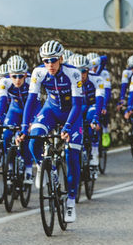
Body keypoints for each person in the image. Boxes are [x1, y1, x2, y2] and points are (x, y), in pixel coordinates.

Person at [19, 39, 85, 222]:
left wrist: (68, 127)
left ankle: (71, 201)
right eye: (46, 60)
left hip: (71, 114)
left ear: (61, 58)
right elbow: (31, 101)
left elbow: (78, 105)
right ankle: (43, 167)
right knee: (34, 141)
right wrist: (25, 127)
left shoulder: (73, 73)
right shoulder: (38, 72)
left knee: (72, 156)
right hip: (50, 110)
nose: (50, 64)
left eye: (54, 60)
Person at [0, 55, 32, 183]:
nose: (17, 80)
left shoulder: (31, 80)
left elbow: (36, 103)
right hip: (14, 110)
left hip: (30, 111)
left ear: (25, 75)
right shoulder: (4, 82)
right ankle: (10, 166)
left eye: (20, 76)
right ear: (9, 75)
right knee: (6, 135)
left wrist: (32, 122)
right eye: (14, 76)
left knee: (26, 138)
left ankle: (28, 169)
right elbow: (2, 100)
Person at [72, 54, 109, 174]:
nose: (81, 75)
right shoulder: (71, 79)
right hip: (80, 106)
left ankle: (94, 152)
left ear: (87, 70)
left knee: (91, 119)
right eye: (78, 71)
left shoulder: (96, 78)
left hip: (93, 104)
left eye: (83, 71)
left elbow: (100, 100)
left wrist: (96, 119)